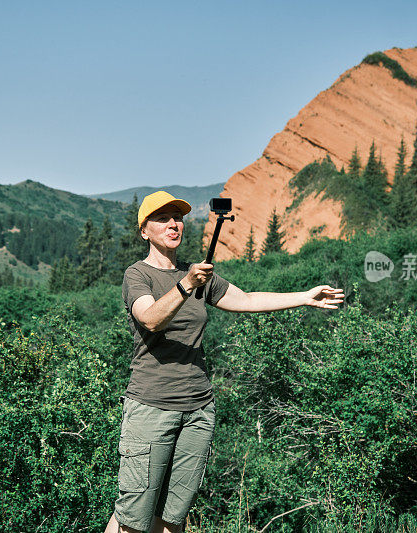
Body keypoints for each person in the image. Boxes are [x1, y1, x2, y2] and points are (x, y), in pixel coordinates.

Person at [104, 191, 345, 533]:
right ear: (145, 230)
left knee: (174, 515)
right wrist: (186, 285)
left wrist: (304, 298)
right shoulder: (138, 275)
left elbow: (246, 299)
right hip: (151, 407)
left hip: (198, 409)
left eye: (178, 217)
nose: (173, 224)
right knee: (133, 515)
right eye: (162, 218)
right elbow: (151, 319)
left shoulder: (199, 275)